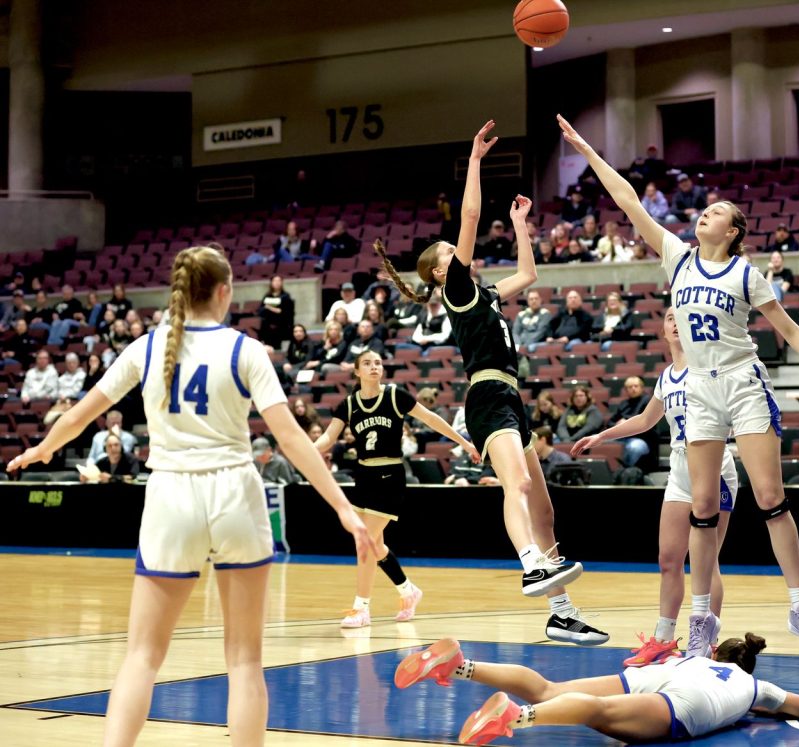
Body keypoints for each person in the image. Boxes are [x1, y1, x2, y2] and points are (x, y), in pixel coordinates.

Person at [5, 244, 369, 747]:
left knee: (142, 656)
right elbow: (291, 438)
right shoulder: (245, 350)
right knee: (244, 660)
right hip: (235, 494)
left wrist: (44, 449)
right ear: (224, 292)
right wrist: (343, 507)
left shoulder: (146, 347)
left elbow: (79, 415)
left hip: (171, 496)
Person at [558, 113, 799, 655]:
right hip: (698, 389)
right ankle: (700, 622)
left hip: (742, 382)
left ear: (734, 230)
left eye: (716, 212)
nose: (705, 214)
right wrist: (587, 149)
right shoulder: (677, 257)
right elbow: (629, 201)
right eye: (705, 210)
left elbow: (788, 328)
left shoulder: (747, 274)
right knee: (702, 506)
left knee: (770, 495)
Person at [373, 120, 604, 645]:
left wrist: (521, 222)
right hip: (486, 397)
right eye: (449, 253)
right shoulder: (455, 287)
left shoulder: (485, 295)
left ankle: (561, 613)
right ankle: (530, 564)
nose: (458, 254)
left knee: (543, 508)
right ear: (441, 271)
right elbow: (472, 214)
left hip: (510, 399)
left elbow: (530, 276)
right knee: (517, 486)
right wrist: (475, 160)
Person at [573, 309, 737, 664]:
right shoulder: (667, 376)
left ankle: (708, 640)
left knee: (706, 562)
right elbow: (646, 420)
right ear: (663, 330)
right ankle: (663, 638)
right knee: (668, 559)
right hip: (680, 467)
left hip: (712, 463)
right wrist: (602, 435)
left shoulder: (710, 364)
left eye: (682, 316)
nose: (676, 321)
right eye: (668, 317)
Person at [395, 633, 799, 745]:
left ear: (717, 652)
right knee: (596, 710)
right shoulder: (754, 684)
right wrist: (760, 704)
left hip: (672, 673)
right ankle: (515, 718)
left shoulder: (694, 657)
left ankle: (462, 665)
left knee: (549, 687)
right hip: (685, 705)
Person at [314, 348, 480, 627]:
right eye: (367, 363)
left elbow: (431, 419)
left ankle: (362, 608)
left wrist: (464, 443)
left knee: (364, 540)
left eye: (377, 362)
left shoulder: (394, 396)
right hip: (363, 476)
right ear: (357, 371)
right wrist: (304, 450)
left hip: (389, 475)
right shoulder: (349, 404)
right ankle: (408, 590)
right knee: (375, 543)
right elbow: (329, 437)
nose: (374, 367)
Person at [605, 376, 654, 469]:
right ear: (626, 390)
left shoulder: (648, 401)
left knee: (634, 448)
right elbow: (610, 422)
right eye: (630, 387)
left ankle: (623, 472)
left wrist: (626, 422)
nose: (633, 389)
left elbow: (644, 420)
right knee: (603, 444)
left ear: (642, 388)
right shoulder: (623, 403)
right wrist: (617, 424)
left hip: (642, 439)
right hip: (622, 438)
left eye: (636, 386)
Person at [257, 275, 294, 350]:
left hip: (280, 325)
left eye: (279, 281)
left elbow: (284, 311)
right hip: (267, 326)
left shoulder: (285, 296)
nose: (277, 283)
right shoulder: (267, 295)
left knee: (277, 347)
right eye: (274, 281)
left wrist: (269, 307)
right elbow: (261, 309)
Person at [513, 289, 552, 353]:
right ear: (528, 301)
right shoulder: (521, 314)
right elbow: (515, 333)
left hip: (536, 343)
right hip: (521, 344)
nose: (534, 301)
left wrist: (524, 346)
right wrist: (518, 345)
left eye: (536, 298)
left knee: (531, 348)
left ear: (540, 300)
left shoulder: (545, 314)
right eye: (531, 299)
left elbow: (540, 333)